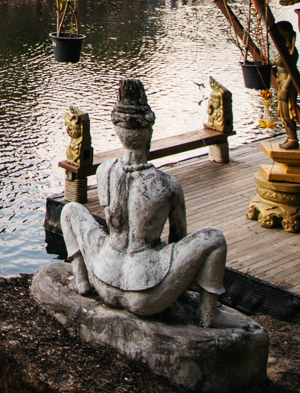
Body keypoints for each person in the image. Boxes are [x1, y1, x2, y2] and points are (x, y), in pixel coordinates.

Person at [60, 79, 229, 327]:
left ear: (118, 132)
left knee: (70, 210)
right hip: (147, 292)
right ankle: (208, 313)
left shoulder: (104, 171)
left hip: (103, 277)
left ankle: (82, 281)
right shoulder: (167, 184)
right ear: (148, 132)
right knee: (214, 239)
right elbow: (177, 239)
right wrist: (179, 291)